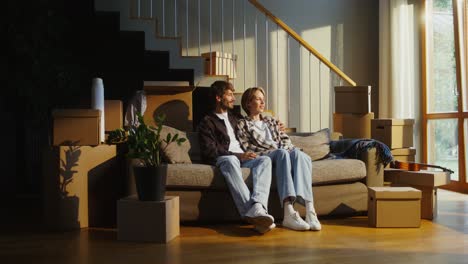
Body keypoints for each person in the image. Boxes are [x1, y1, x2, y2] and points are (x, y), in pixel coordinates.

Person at [237, 87, 321, 231]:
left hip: (283, 151)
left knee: (301, 156)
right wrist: (278, 151)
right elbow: (248, 148)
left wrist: (289, 150)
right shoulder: (242, 124)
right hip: (266, 155)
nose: (263, 102)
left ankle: (310, 210)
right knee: (282, 153)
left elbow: (285, 139)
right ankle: (288, 212)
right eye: (258, 99)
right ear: (248, 103)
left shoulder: (271, 121)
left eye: (263, 99)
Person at [197, 81, 275, 234]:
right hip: (225, 159)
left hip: (244, 158)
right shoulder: (207, 122)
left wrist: (274, 124)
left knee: (264, 160)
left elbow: (255, 121)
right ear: (219, 98)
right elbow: (210, 151)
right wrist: (237, 155)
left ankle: (258, 207)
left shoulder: (236, 118)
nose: (233, 98)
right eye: (230, 94)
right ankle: (251, 212)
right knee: (231, 160)